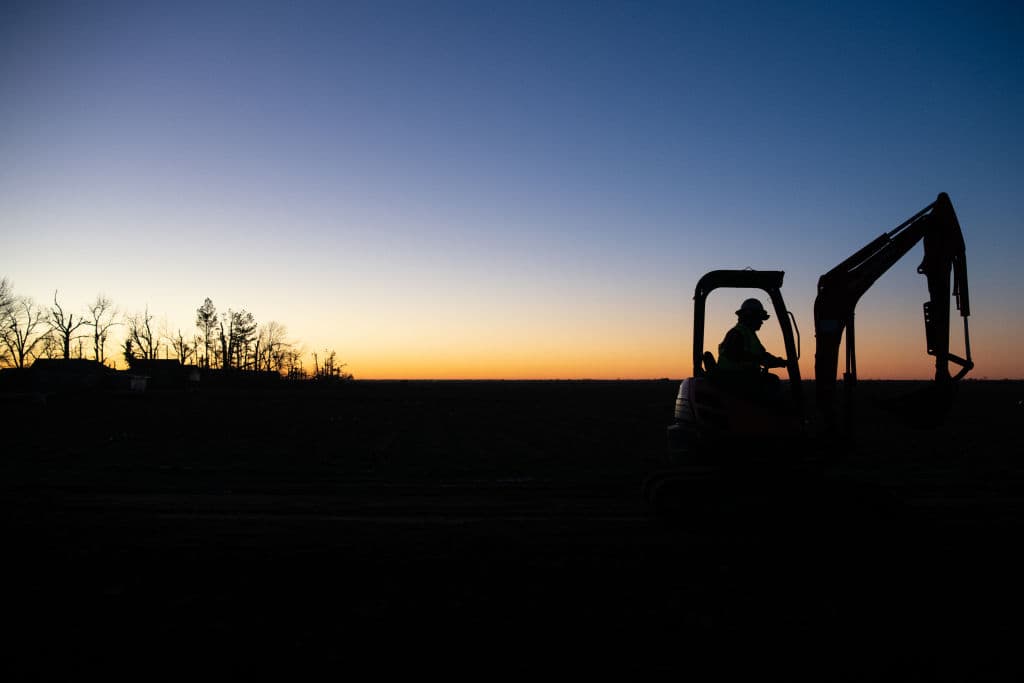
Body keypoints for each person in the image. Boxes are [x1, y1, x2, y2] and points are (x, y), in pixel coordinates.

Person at [716, 298, 787, 397]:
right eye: (759, 318)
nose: (761, 322)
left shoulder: (748, 334)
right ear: (750, 317)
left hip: (742, 377)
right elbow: (735, 354)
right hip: (734, 379)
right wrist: (760, 360)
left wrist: (779, 361)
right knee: (772, 382)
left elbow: (762, 355)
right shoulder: (736, 333)